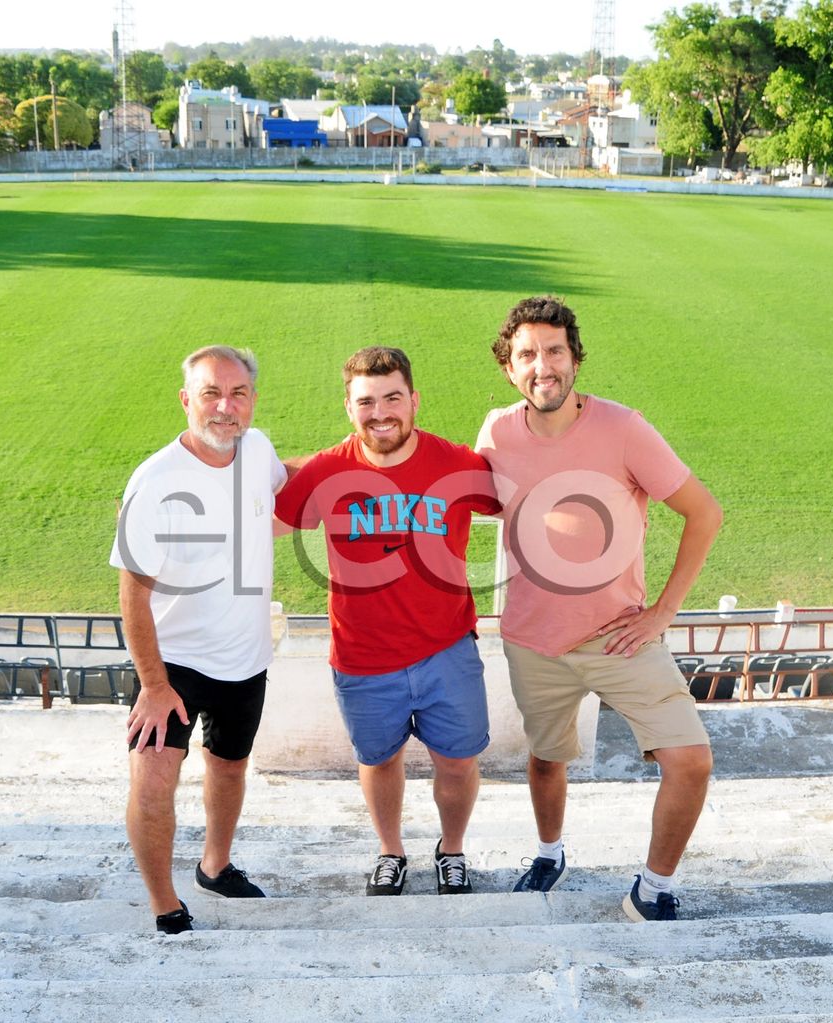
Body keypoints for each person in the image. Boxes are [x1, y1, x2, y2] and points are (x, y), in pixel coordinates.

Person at [475, 296, 722, 922]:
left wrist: (662, 614)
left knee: (690, 762)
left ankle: (653, 888)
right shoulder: (497, 431)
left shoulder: (623, 428)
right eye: (527, 354)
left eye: (554, 351)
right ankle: (549, 852)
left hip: (620, 639)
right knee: (546, 758)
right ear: (510, 367)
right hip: (532, 640)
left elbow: (704, 513)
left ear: (575, 358)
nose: (542, 367)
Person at [276, 346, 498, 896]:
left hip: (447, 647)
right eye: (367, 402)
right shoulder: (327, 470)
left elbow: (527, 490)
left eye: (393, 397)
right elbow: (258, 518)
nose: (381, 413)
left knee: (459, 761)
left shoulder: (458, 464)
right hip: (363, 656)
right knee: (378, 759)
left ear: (414, 400)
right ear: (348, 409)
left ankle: (451, 849)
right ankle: (390, 851)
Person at [112, 345, 287, 935]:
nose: (224, 407)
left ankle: (215, 866)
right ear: (187, 400)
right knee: (154, 780)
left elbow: (283, 494)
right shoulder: (155, 480)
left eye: (237, 394)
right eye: (211, 393)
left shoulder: (259, 452)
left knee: (230, 767)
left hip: (245, 658)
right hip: (174, 664)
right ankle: (165, 906)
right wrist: (154, 685)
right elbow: (132, 593)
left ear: (253, 402)